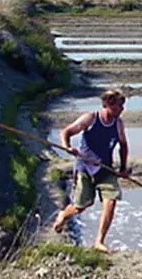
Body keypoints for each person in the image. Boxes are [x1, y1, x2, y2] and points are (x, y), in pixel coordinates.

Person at [52, 89, 130, 253]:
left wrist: (123, 168)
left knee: (111, 201)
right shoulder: (90, 118)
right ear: (107, 105)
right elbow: (66, 132)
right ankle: (63, 215)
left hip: (105, 169)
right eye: (118, 106)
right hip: (85, 168)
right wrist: (67, 147)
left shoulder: (118, 124)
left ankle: (99, 241)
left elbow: (123, 146)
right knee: (81, 206)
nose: (121, 109)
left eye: (122, 106)